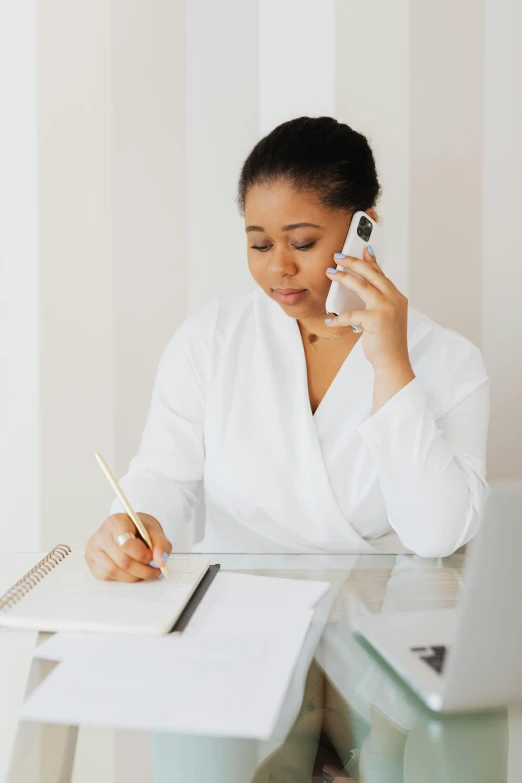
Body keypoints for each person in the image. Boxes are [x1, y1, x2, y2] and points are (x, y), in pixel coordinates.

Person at [86, 116, 490, 581]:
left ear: (365, 229)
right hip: (229, 613)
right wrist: (136, 527)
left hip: (368, 628)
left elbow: (437, 534)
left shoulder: (449, 361)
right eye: (259, 245)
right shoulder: (212, 338)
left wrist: (392, 366)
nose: (279, 266)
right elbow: (163, 476)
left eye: (303, 242)